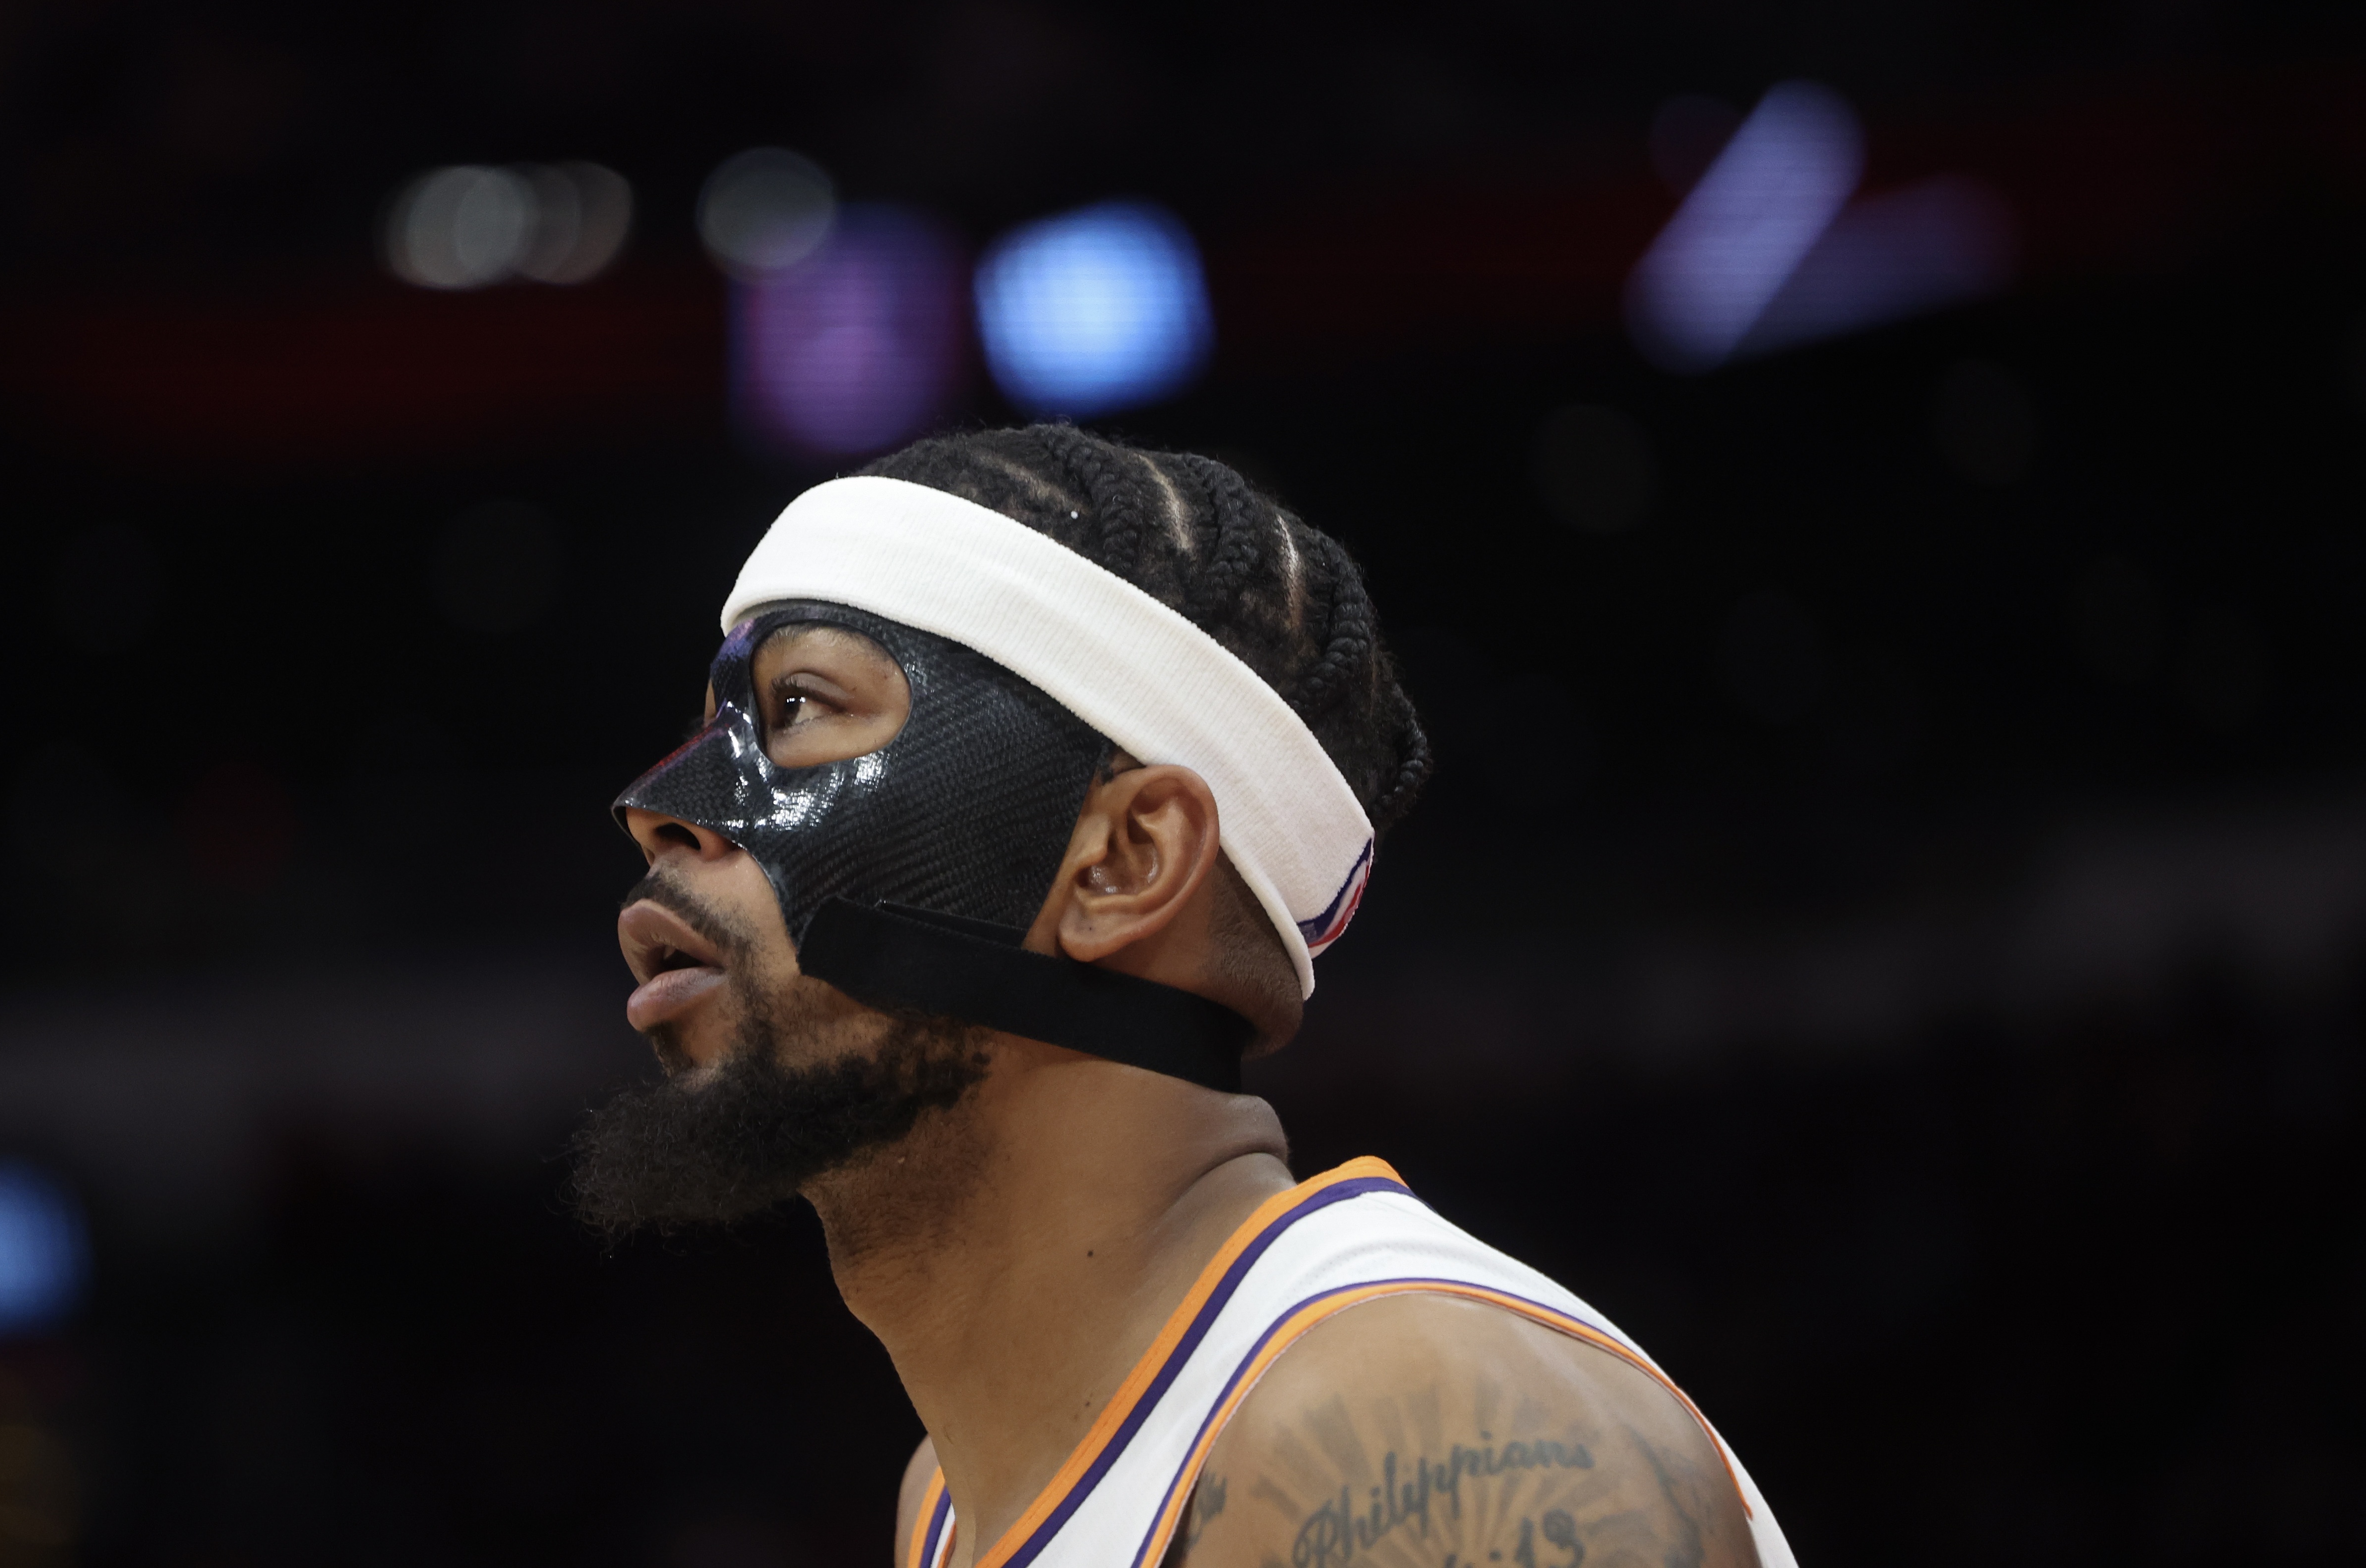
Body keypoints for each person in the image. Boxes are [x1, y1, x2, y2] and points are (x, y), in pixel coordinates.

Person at [572, 424, 1797, 1568]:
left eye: (796, 706)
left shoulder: (1418, 1427)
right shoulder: (944, 1500)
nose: (659, 808)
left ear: (1124, 861)